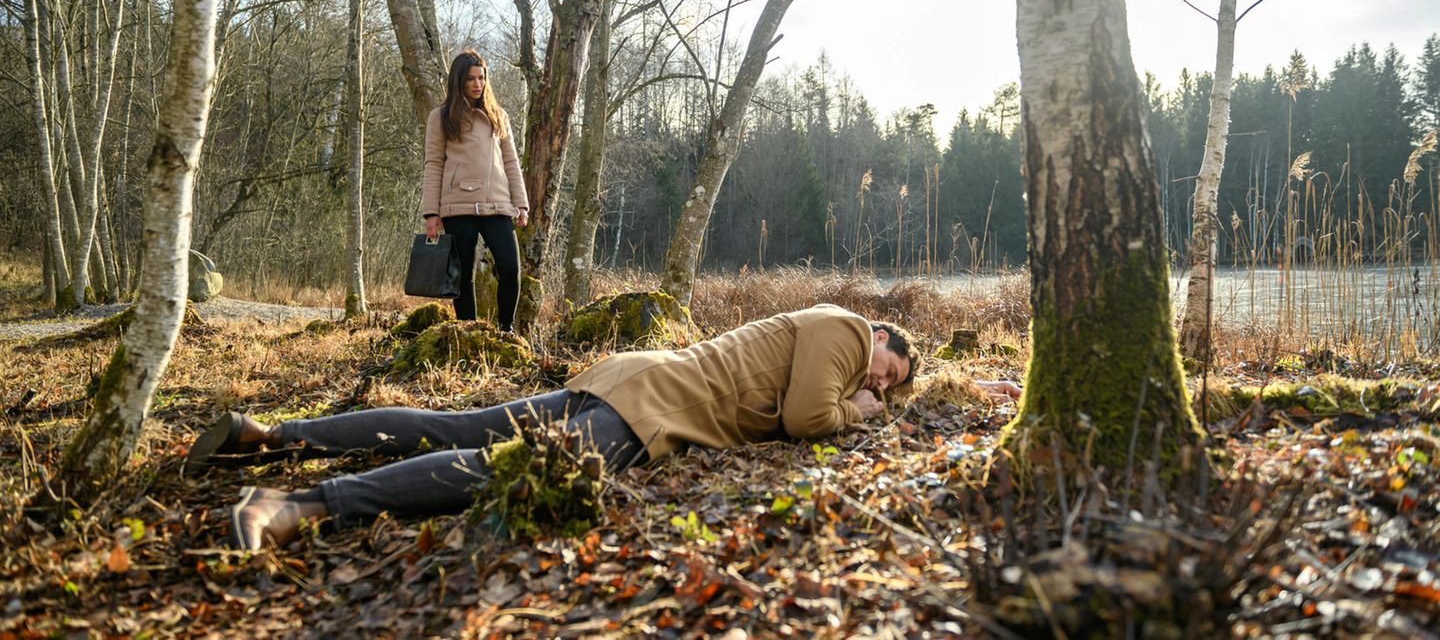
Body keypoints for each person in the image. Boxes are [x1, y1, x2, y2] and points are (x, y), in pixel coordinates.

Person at [189, 304, 1022, 550]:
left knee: (450, 428)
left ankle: (270, 432)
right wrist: (859, 412)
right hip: (655, 409)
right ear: (879, 338)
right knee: (494, 465)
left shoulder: (840, 338)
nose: (876, 384)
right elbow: (811, 417)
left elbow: (833, 394)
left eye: (884, 386)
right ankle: (299, 504)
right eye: (884, 371)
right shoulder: (844, 329)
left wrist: (944, 383)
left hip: (633, 380)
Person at [422, 50, 528, 330]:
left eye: (481, 78)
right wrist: (431, 212)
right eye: (470, 78)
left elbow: (511, 161)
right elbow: (433, 164)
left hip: (498, 204)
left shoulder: (499, 116)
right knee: (462, 274)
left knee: (510, 268)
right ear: (459, 81)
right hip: (458, 205)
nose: (477, 83)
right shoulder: (441, 117)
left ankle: (506, 329)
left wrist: (522, 203)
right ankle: (467, 330)